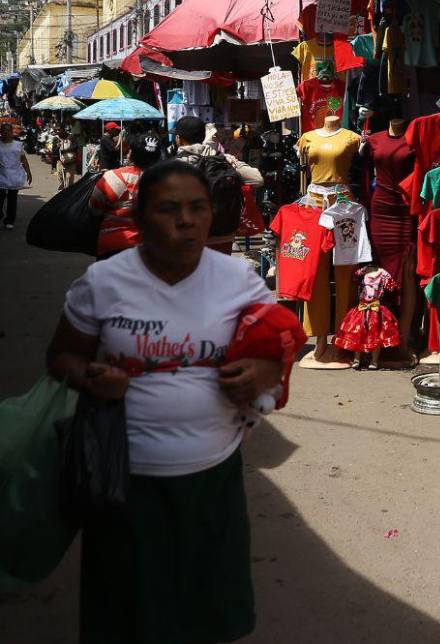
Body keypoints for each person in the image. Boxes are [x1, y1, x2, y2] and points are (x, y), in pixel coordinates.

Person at [46, 159, 282, 644]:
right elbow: (62, 356)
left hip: (212, 477)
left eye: (198, 208)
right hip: (122, 479)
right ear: (139, 216)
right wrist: (90, 377)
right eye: (169, 208)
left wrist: (262, 372)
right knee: (128, 611)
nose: (187, 220)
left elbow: (274, 357)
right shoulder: (103, 283)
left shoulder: (240, 283)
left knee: (207, 613)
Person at [174, 115, 263, 252]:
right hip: (223, 237)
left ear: (179, 139)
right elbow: (257, 179)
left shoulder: (170, 167)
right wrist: (232, 163)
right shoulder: (223, 159)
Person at [89, 131, 163, 257]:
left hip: (113, 248)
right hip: (151, 250)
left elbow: (94, 209)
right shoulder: (166, 182)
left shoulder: (113, 177)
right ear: (158, 157)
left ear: (131, 155)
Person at [0, 122, 32, 229]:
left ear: (11, 132)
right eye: (3, 130)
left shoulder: (18, 145)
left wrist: (29, 172)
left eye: (8, 130)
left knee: (12, 199)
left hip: (15, 176)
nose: (6, 132)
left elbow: (23, 159)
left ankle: (10, 220)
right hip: (1, 175)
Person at [55, 125, 79, 190]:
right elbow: (55, 151)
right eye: (57, 130)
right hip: (61, 162)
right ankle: (62, 187)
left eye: (59, 130)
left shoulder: (71, 138)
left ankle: (68, 193)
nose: (58, 131)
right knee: (61, 177)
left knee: (69, 180)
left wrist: (67, 148)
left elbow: (76, 148)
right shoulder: (57, 139)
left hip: (71, 162)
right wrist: (58, 146)